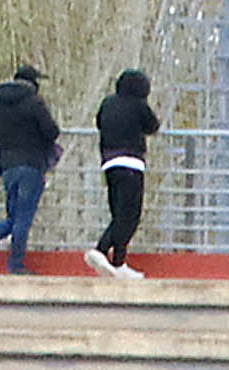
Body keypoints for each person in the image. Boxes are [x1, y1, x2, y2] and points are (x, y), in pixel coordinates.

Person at [0, 67, 59, 276]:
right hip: (32, 165)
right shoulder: (34, 102)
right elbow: (52, 131)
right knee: (23, 218)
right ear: (33, 83)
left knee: (13, 217)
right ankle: (14, 265)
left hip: (7, 165)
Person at [87, 70, 159, 280]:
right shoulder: (139, 106)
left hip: (109, 163)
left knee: (118, 212)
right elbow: (153, 126)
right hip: (132, 163)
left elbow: (99, 122)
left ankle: (119, 262)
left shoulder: (107, 104)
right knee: (129, 215)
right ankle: (100, 250)